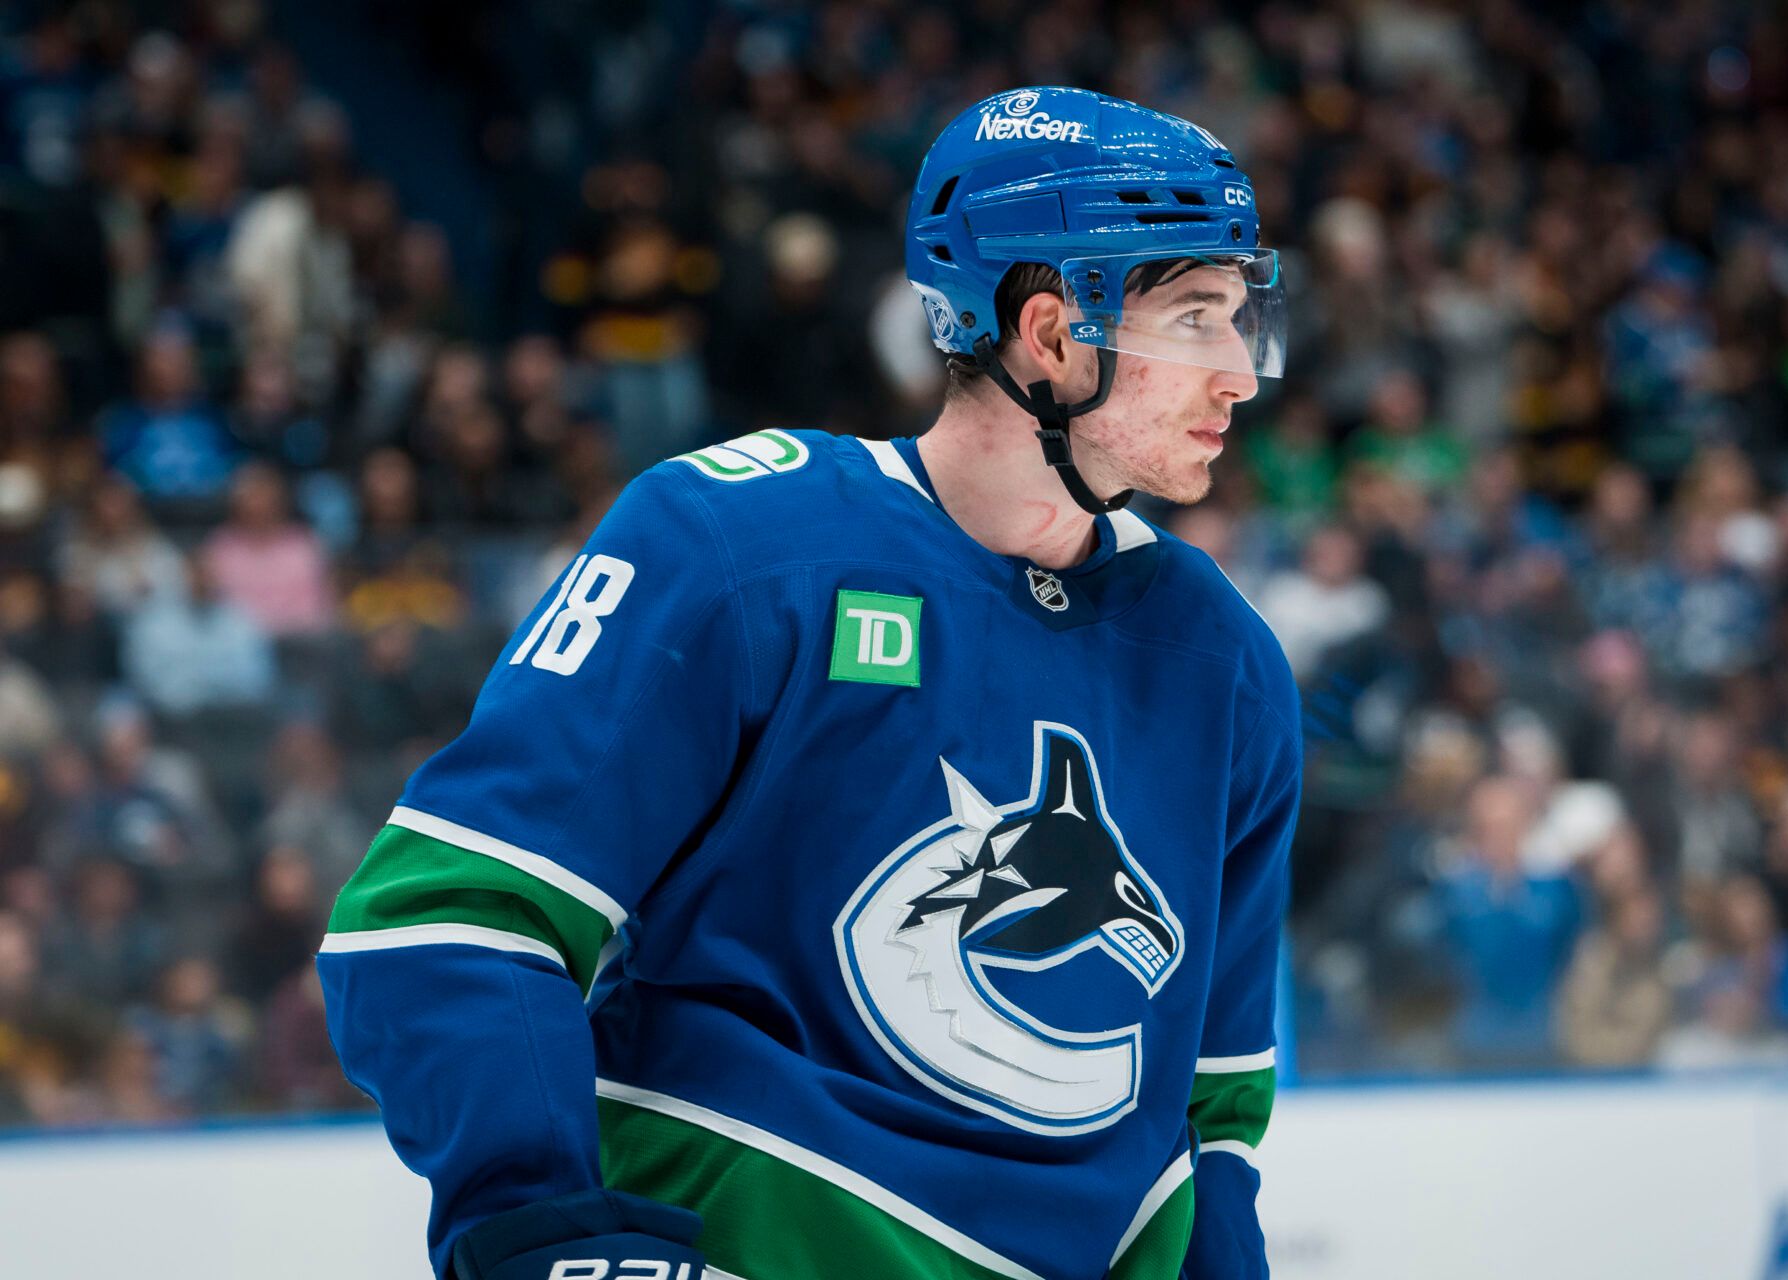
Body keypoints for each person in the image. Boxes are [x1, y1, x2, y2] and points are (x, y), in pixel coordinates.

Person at [319, 87, 1302, 1280]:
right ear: (1049, 332)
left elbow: (1212, 1116)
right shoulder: (735, 543)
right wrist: (535, 1224)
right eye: (1196, 320)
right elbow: (452, 916)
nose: (1238, 375)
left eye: (1242, 320)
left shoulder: (1225, 664)